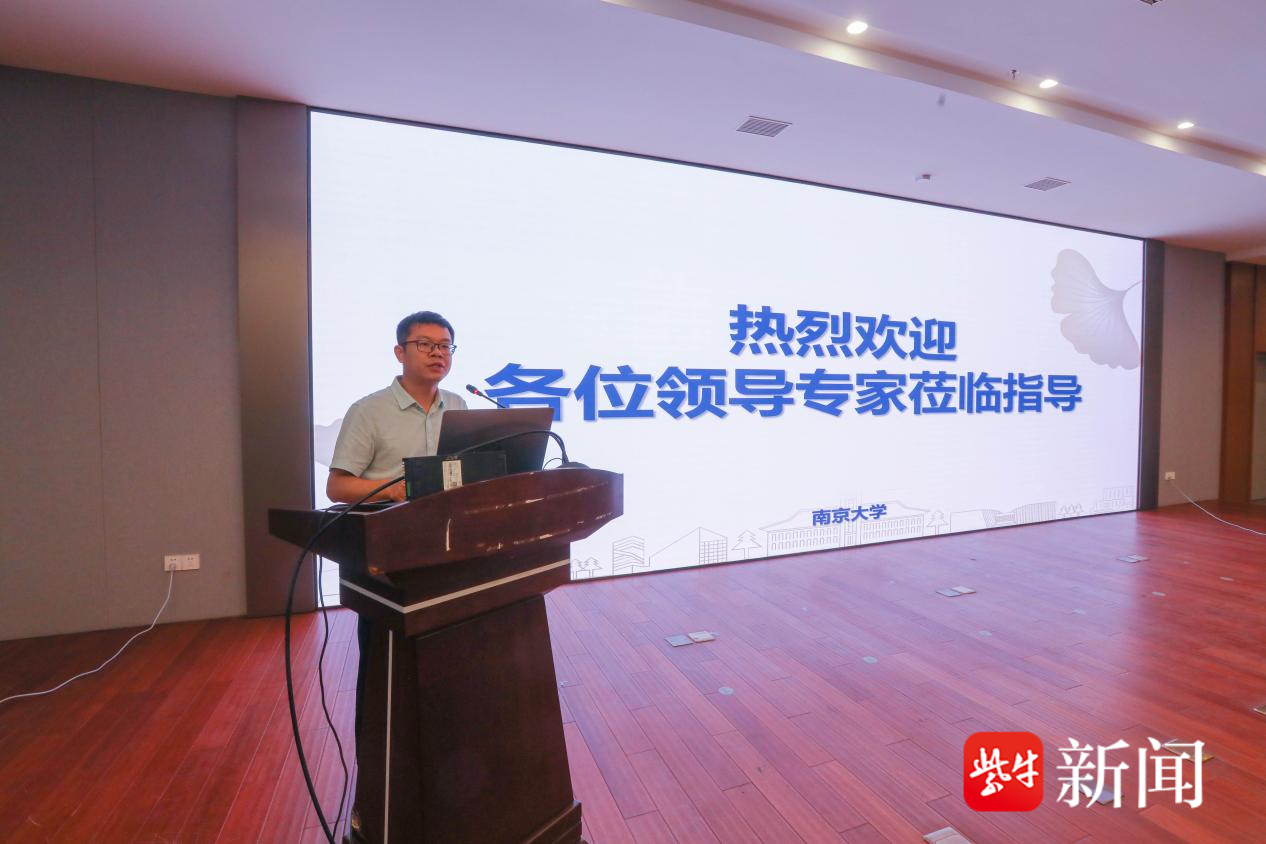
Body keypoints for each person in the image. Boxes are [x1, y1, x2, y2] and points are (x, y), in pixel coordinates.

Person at [326, 309, 466, 843]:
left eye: (445, 346)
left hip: (450, 555)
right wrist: (398, 489)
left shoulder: (459, 407)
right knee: (387, 687)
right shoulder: (370, 411)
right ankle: (378, 796)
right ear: (399, 352)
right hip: (389, 561)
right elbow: (338, 487)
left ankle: (445, 781)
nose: (437, 353)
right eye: (425, 344)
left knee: (448, 679)